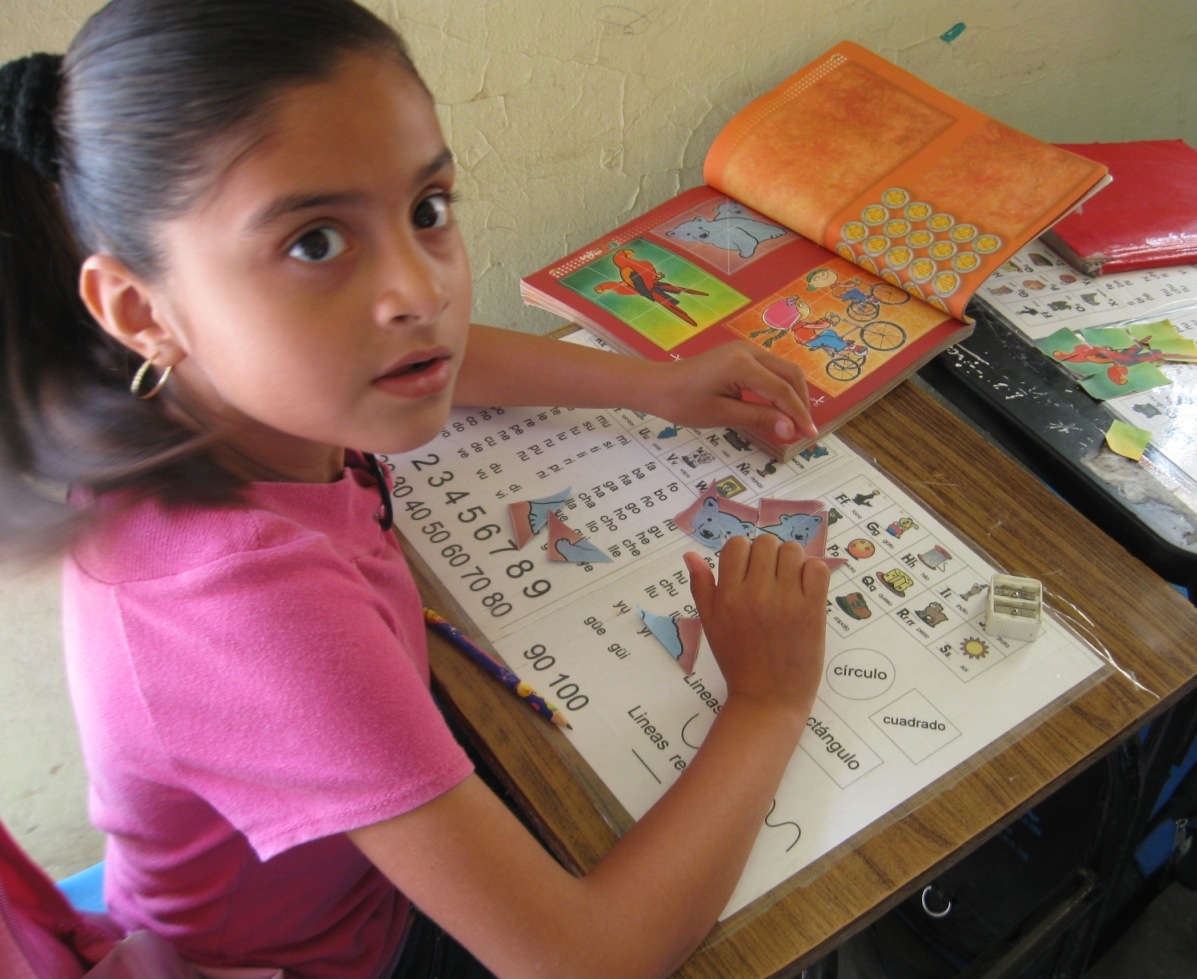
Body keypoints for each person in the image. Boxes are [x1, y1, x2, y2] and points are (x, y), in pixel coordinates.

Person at [0, 2, 830, 977]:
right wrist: (768, 701)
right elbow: (586, 961)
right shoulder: (238, 599)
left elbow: (435, 353)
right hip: (347, 954)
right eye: (315, 242)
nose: (420, 289)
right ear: (142, 308)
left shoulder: (213, 391)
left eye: (427, 208)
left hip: (376, 857)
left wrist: (652, 384)